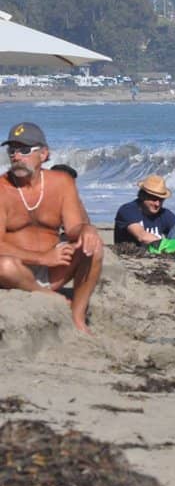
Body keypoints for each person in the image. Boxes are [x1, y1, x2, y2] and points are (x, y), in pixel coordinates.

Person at [0, 122, 104, 332]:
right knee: (4, 266)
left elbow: (74, 228)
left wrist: (87, 229)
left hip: (55, 269)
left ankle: (78, 317)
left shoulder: (62, 182)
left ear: (44, 154)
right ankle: (45, 294)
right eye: (12, 150)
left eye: (24, 150)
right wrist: (42, 258)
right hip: (16, 272)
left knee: (94, 247)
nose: (16, 157)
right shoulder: (2, 189)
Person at [114, 175, 175, 247]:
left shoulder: (165, 214)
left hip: (157, 253)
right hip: (131, 253)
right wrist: (168, 245)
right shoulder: (128, 210)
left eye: (161, 200)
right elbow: (142, 236)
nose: (157, 204)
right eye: (154, 199)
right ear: (143, 196)